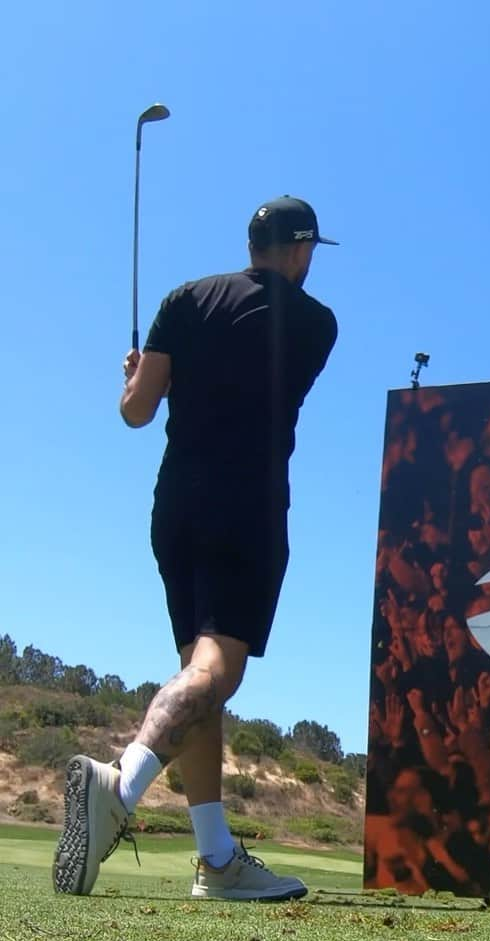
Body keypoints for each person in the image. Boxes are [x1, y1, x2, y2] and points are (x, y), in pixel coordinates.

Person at [53, 196, 338, 901]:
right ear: (300, 251)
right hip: (247, 507)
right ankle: (120, 786)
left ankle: (216, 859)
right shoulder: (316, 323)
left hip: (175, 506)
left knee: (196, 671)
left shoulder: (185, 299)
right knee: (217, 669)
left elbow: (136, 411)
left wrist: (145, 370)